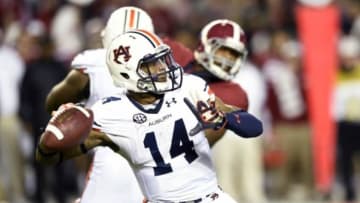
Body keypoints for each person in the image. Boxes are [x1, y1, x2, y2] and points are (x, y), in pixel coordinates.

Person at [36, 29, 263, 203]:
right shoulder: (109, 113)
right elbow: (50, 157)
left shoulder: (190, 87)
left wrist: (224, 118)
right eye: (152, 65)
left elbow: (254, 128)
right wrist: (51, 139)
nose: (163, 68)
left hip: (211, 197)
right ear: (128, 72)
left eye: (162, 60)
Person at [45, 6, 193, 203]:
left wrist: (71, 113)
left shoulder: (93, 65)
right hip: (163, 167)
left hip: (113, 166)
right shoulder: (166, 64)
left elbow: (52, 102)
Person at [184, 19, 266, 202]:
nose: (228, 59)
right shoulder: (182, 69)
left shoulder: (233, 92)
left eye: (234, 54)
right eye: (224, 50)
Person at [333, 35, 360, 202]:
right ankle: (349, 193)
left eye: (351, 57)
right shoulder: (335, 74)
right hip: (344, 123)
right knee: (346, 160)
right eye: (345, 57)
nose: (348, 60)